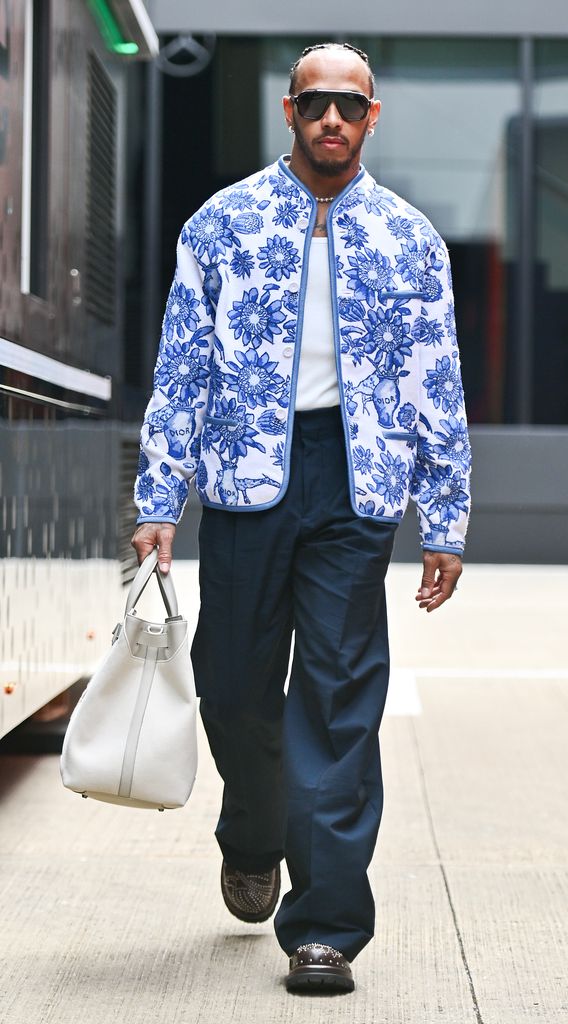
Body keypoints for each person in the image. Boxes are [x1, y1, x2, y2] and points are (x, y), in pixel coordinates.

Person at [132, 41, 471, 993]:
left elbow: (435, 384)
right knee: (232, 687)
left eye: (349, 106)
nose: (332, 119)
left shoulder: (411, 240)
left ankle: (323, 926)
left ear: (371, 120)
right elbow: (181, 366)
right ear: (289, 112)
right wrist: (161, 494)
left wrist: (442, 514)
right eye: (315, 103)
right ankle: (253, 831)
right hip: (244, 478)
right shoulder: (223, 224)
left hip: (355, 486)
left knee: (336, 699)